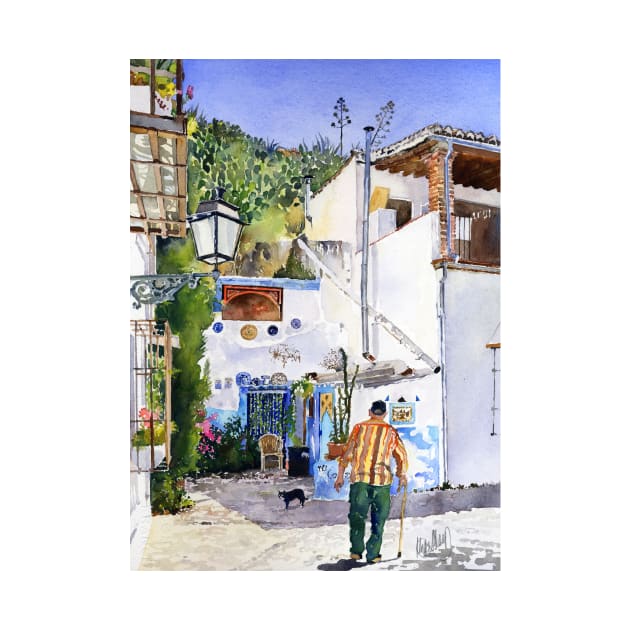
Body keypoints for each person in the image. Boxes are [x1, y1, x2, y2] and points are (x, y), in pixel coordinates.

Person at [334, 399, 408, 564]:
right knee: (379, 520)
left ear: (370, 412)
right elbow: (401, 455)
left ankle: (356, 551)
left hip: (360, 480)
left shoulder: (359, 428)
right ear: (385, 414)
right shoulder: (391, 432)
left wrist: (340, 475)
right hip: (382, 483)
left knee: (357, 517)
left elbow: (347, 453)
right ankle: (373, 554)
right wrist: (402, 474)